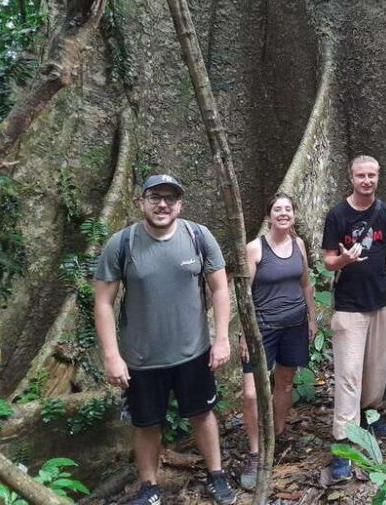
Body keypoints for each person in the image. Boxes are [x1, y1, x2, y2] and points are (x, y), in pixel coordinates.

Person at [94, 174, 236, 505]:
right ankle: (150, 488)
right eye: (155, 197)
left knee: (202, 413)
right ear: (141, 202)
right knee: (146, 424)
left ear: (180, 205)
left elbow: (220, 289)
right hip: (142, 358)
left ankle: (216, 475)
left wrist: (222, 339)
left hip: (194, 352)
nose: (162, 204)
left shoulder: (198, 236)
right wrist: (112, 355)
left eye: (170, 198)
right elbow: (102, 302)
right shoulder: (122, 243)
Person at [322, 155, 386, 481]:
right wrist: (343, 259)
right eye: (361, 176)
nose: (367, 181)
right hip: (349, 307)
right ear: (351, 178)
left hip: (381, 303)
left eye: (372, 175)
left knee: (376, 370)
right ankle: (343, 443)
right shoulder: (337, 214)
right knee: (348, 375)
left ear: (378, 177)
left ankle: (369, 416)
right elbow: (328, 261)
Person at [238, 193, 318, 490]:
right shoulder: (255, 248)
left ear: (294, 215)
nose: (283, 213)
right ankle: (255, 453)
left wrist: (312, 318)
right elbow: (244, 295)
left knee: (284, 383)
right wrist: (245, 334)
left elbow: (306, 284)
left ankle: (277, 435)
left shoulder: (299, 245)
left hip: (295, 326)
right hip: (262, 329)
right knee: (250, 393)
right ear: (269, 215)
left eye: (288, 209)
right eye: (277, 209)